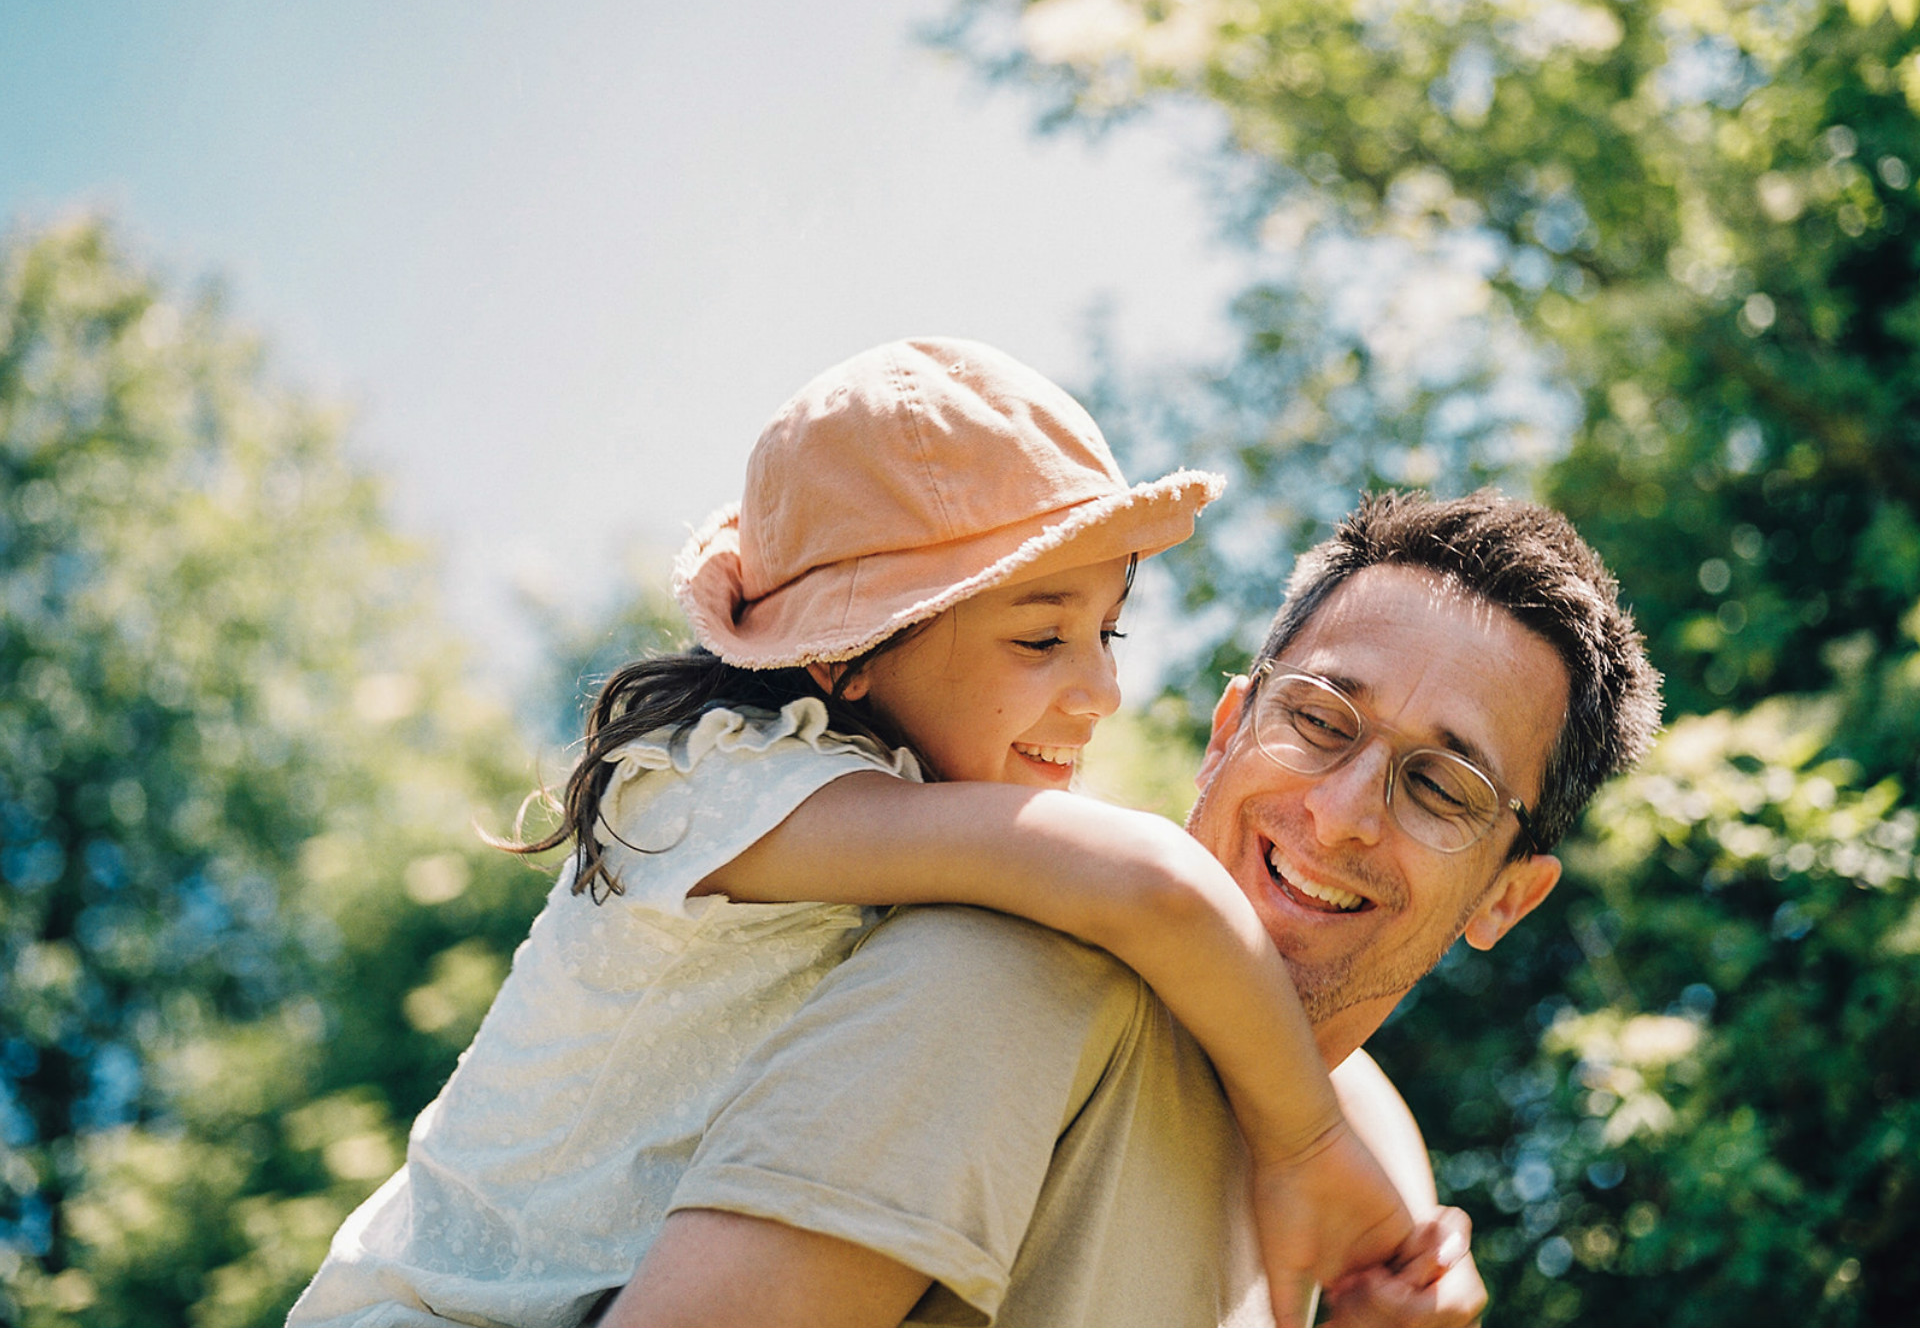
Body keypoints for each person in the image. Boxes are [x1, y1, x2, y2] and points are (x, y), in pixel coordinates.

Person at [287, 339, 1442, 1328]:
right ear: (848, 650)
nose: (1100, 692)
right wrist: (1302, 1152)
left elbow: (1269, 1012)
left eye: (1109, 634)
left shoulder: (907, 809)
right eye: (1040, 641)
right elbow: (1157, 891)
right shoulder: (720, 787)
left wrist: (1402, 1229)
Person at [606, 488, 1663, 1328]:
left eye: (1440, 787)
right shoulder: (1014, 982)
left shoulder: (1378, 1162)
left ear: (1508, 898)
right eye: (1320, 719)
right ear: (1225, 735)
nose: (1342, 816)